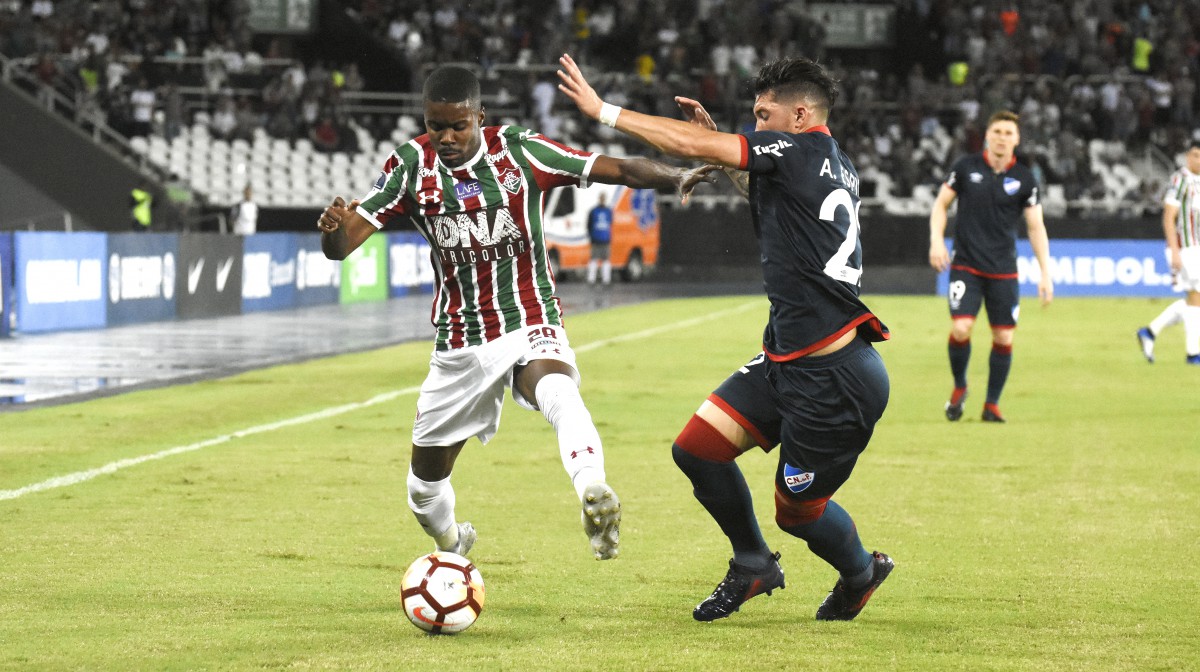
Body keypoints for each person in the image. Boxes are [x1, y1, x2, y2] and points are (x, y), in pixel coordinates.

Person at [317, 65, 711, 562]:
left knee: (557, 389)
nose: (447, 137)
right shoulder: (410, 166)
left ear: (480, 117)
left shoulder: (519, 151)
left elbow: (616, 169)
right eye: (436, 126)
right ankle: (452, 543)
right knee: (423, 491)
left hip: (529, 316)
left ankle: (593, 489)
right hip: (460, 339)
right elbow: (341, 247)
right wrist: (333, 230)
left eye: (458, 125)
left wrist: (678, 175)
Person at [557, 53, 894, 622]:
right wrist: (722, 149)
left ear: (800, 115)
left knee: (797, 512)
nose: (756, 125)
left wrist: (604, 111)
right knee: (697, 449)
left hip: (834, 380)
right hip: (787, 359)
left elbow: (690, 145)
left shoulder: (798, 150)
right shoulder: (830, 161)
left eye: (764, 115)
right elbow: (766, 190)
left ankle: (861, 571)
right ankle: (754, 563)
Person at [928, 110, 1053, 423]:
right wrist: (936, 241)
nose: (1002, 138)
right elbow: (941, 205)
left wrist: (1045, 274)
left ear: (1017, 139)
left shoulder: (1025, 178)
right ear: (987, 135)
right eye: (997, 131)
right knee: (961, 327)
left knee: (1004, 338)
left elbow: (1036, 227)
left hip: (1004, 270)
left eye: (1008, 133)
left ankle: (992, 405)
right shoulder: (965, 167)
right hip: (966, 265)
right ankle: (960, 385)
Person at [1136, 139, 1200, 364]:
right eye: (1195, 155)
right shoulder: (1179, 180)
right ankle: (1193, 354)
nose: (1199, 160)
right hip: (1184, 247)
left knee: (1193, 300)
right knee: (1196, 296)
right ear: (1187, 157)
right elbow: (1168, 217)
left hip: (1197, 246)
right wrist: (1174, 250)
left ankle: (1150, 331)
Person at [586, 192, 614, 285]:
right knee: (593, 259)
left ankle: (606, 279)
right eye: (601, 198)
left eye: (603, 198)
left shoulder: (608, 211)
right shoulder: (593, 211)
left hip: (605, 239)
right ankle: (591, 279)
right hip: (596, 239)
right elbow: (589, 225)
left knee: (606, 260)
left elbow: (610, 224)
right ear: (599, 199)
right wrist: (591, 236)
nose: (602, 200)